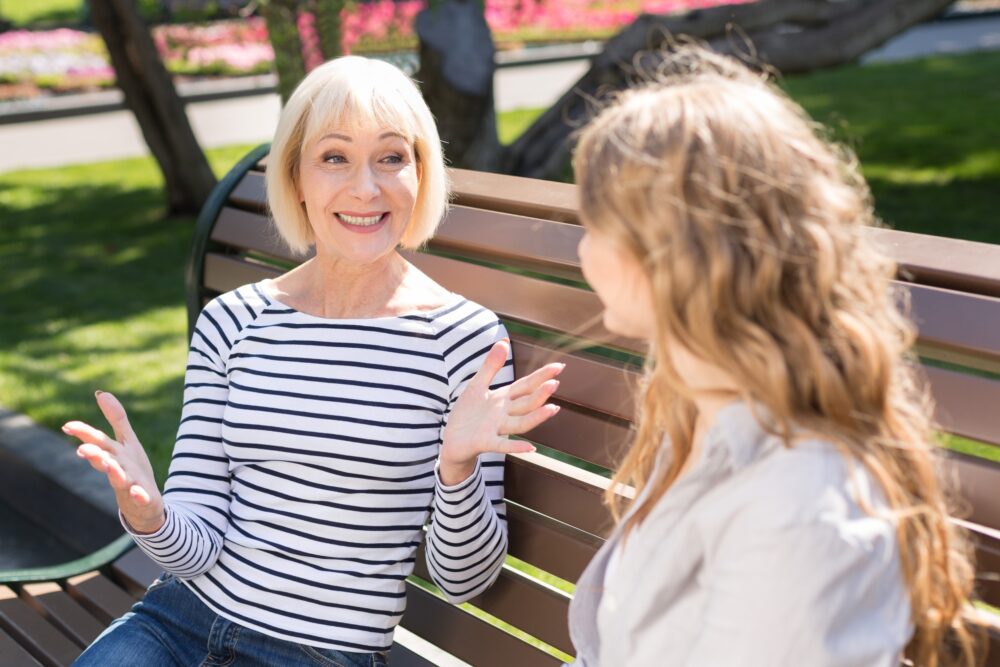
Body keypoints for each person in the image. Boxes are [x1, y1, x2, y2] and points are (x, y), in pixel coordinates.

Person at [63, 56, 564, 666]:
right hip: (177, 622)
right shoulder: (235, 321)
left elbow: (464, 581)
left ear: (421, 174)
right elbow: (192, 549)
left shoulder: (463, 341)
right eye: (334, 158)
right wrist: (150, 512)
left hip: (320, 653)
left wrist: (456, 470)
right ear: (297, 177)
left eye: (391, 157)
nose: (366, 188)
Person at [566, 45, 980, 667]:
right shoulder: (699, 418)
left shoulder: (797, 508)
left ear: (677, 256)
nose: (581, 251)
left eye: (593, 224)